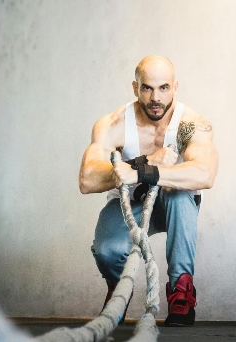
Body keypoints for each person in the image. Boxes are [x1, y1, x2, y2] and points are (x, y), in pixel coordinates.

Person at [78, 56, 219, 327]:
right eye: (147, 88)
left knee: (179, 195)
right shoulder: (113, 123)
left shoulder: (192, 124)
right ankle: (119, 290)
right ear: (135, 87)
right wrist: (141, 163)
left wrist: (145, 174)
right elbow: (87, 179)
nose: (156, 97)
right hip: (131, 203)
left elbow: (205, 174)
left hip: (174, 207)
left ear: (175, 87)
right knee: (107, 250)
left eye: (164, 88)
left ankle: (181, 291)